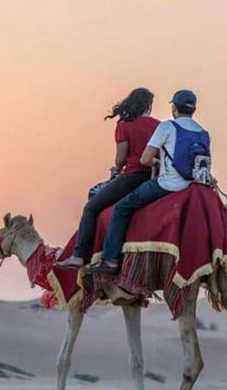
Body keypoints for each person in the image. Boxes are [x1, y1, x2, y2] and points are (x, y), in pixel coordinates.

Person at [90, 89, 209, 274]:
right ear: (193, 109)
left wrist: (156, 162)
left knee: (122, 207)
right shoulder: (203, 133)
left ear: (174, 107)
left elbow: (144, 160)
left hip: (167, 184)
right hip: (192, 185)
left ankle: (110, 259)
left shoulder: (167, 127)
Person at [56, 88, 160, 269]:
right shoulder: (159, 125)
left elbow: (121, 159)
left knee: (91, 207)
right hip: (154, 177)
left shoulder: (124, 125)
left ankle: (79, 255)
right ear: (149, 106)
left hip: (133, 176)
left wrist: (116, 169)